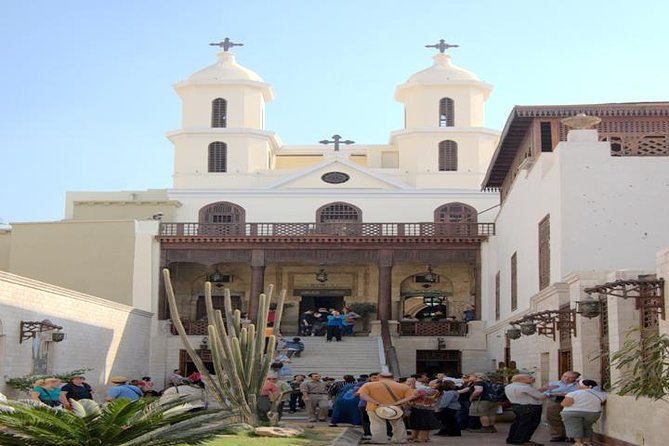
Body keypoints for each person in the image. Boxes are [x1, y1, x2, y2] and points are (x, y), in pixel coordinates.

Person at [357, 371, 413, 444]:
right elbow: (411, 397)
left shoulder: (369, 385)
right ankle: (400, 439)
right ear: (392, 378)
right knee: (398, 424)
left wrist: (377, 402)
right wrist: (397, 403)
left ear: (379, 377)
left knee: (377, 424)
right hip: (395, 409)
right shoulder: (403, 386)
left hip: (375, 407)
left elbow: (362, 395)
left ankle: (379, 440)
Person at [561, 379, 606, 446]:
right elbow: (601, 403)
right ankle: (587, 442)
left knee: (574, 426)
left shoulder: (573, 393)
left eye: (578, 384)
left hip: (573, 413)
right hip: (593, 414)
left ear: (582, 385)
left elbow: (566, 404)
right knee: (587, 427)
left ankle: (578, 443)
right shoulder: (601, 394)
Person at [504, 374, 546, 446]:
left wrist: (543, 389)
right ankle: (522, 440)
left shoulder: (509, 386)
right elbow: (540, 396)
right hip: (530, 407)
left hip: (516, 406)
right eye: (530, 377)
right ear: (521, 379)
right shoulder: (525, 387)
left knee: (518, 423)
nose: (533, 378)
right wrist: (551, 393)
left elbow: (529, 393)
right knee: (529, 424)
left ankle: (512, 439)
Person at [541, 371, 581, 442]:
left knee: (571, 419)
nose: (566, 379)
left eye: (570, 378)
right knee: (553, 418)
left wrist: (564, 394)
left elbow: (579, 393)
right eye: (564, 376)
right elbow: (545, 392)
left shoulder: (579, 385)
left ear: (575, 378)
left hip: (572, 402)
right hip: (555, 401)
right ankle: (558, 435)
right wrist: (554, 394)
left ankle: (572, 436)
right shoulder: (554, 383)